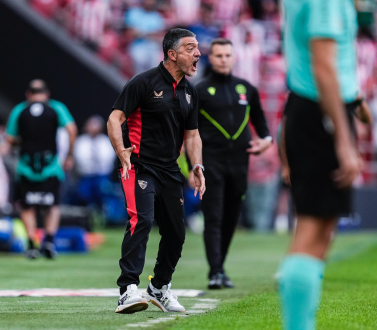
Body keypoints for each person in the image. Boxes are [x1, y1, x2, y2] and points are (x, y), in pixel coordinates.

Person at [107, 28, 205, 314]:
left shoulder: (190, 91)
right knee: (142, 220)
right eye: (190, 48)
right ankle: (127, 290)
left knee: (177, 232)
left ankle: (159, 288)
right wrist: (120, 149)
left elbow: (192, 136)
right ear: (172, 54)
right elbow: (115, 119)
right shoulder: (144, 82)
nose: (198, 53)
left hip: (170, 170)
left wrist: (197, 165)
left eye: (197, 47)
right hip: (139, 166)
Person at [279, 0, 361, 329]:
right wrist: (342, 137)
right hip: (319, 112)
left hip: (312, 110)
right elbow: (324, 66)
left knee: (320, 230)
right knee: (312, 231)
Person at [194, 38, 272, 289]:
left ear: (234, 57)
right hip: (211, 162)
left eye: (228, 55)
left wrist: (266, 141)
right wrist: (192, 166)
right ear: (211, 58)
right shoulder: (200, 90)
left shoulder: (246, 89)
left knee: (231, 218)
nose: (223, 59)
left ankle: (220, 267)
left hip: (240, 162)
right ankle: (215, 271)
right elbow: (188, 132)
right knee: (214, 217)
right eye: (218, 55)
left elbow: (261, 124)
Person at [6, 79, 77, 259]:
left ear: (28, 94)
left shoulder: (20, 110)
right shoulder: (56, 108)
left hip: (26, 167)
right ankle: (49, 242)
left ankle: (31, 244)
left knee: (27, 205)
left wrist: (23, 139)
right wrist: (69, 155)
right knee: (52, 205)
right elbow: (71, 129)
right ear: (47, 93)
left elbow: (10, 139)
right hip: (51, 167)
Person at [74, 115, 116, 209]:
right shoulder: (81, 141)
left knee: (104, 193)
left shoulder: (105, 141)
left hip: (102, 175)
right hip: (86, 175)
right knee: (84, 194)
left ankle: (104, 215)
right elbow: (79, 158)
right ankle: (88, 214)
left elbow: (109, 157)